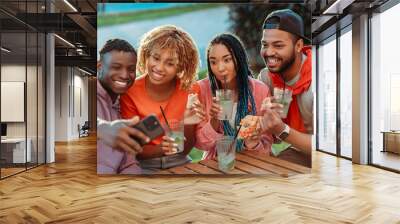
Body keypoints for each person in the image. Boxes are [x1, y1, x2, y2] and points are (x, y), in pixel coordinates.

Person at [120, 25, 206, 171]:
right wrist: (161, 149)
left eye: (170, 63)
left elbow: (185, 149)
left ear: (181, 67)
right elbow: (131, 150)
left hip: (180, 160)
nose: (159, 67)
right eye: (156, 58)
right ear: (146, 54)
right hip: (144, 165)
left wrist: (188, 122)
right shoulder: (129, 92)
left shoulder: (190, 90)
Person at [196, 33, 273, 159]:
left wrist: (253, 143)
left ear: (239, 59)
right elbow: (200, 144)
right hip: (217, 162)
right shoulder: (203, 89)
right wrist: (214, 122)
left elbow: (267, 143)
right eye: (213, 62)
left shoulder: (260, 90)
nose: (220, 68)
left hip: (253, 162)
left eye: (227, 60)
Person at [258, 9, 313, 166]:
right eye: (264, 44)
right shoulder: (266, 78)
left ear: (298, 45)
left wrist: (282, 130)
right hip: (297, 151)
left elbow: (329, 147)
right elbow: (264, 136)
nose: (268, 52)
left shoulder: (319, 79)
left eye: (278, 45)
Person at [97, 38, 150, 174]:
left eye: (131, 69)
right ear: (99, 67)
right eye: (116, 67)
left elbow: (129, 163)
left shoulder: (123, 104)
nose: (125, 75)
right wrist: (103, 129)